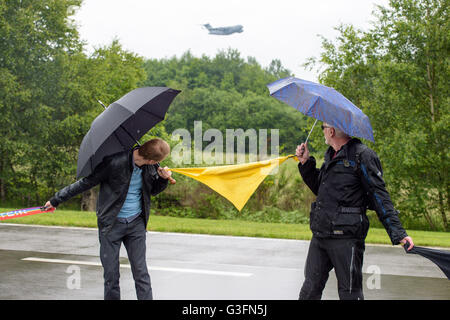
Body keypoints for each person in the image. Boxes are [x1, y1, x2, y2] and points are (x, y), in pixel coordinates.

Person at [295, 122, 414, 300]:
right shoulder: (331, 155)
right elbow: (322, 189)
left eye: (323, 128)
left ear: (331, 131)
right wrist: (306, 163)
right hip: (321, 234)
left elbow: (379, 195)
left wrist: (398, 232)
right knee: (309, 290)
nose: (323, 132)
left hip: (346, 238)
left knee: (350, 293)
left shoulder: (362, 155)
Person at [44, 138, 172, 300]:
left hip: (136, 224)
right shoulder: (114, 163)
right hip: (111, 224)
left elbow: (152, 191)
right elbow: (85, 183)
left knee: (141, 273)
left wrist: (162, 179)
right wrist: (56, 200)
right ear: (151, 159)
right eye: (157, 162)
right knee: (111, 276)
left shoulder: (151, 167)